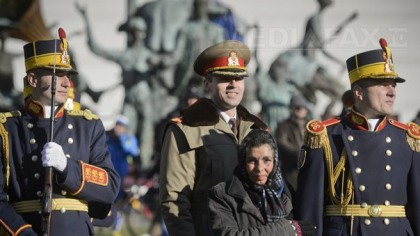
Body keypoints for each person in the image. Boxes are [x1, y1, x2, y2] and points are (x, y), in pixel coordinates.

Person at [0, 28, 120, 235]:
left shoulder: (88, 126)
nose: (66, 82)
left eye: (68, 75)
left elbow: (110, 186)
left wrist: (67, 168)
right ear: (33, 81)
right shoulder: (7, 129)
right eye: (57, 74)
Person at [294, 38, 420, 235]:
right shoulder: (324, 137)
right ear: (359, 92)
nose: (392, 93)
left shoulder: (407, 139)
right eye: (383, 85)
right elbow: (309, 210)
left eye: (393, 85)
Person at [159, 40, 268, 236]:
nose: (233, 84)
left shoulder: (258, 131)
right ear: (207, 84)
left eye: (239, 78)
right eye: (224, 78)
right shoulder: (186, 129)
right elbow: (175, 200)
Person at [209, 129, 315, 236]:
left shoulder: (287, 191)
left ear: (275, 161)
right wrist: (287, 229)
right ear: (243, 162)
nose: (259, 168)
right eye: (252, 161)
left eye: (266, 160)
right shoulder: (222, 194)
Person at [106, 115, 140, 234]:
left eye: (122, 126)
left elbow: (133, 151)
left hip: (121, 176)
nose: (119, 128)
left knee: (118, 201)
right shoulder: (107, 137)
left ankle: (116, 226)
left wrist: (122, 140)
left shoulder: (128, 139)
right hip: (107, 173)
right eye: (117, 125)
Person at [275, 94, 310, 193]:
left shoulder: (311, 125)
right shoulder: (283, 125)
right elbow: (282, 142)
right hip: (291, 170)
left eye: (302, 107)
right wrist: (299, 154)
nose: (300, 109)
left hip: (308, 168)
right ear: (292, 109)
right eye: (297, 107)